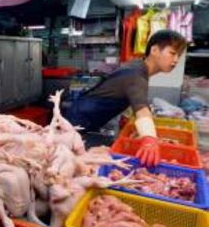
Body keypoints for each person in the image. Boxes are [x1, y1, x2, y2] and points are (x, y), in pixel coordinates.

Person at [64, 29, 187, 167]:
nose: (176, 60)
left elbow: (132, 97)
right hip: (76, 123)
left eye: (179, 55)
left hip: (87, 120)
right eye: (172, 53)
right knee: (71, 161)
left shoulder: (139, 68)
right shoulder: (136, 74)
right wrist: (150, 139)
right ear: (154, 50)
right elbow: (141, 109)